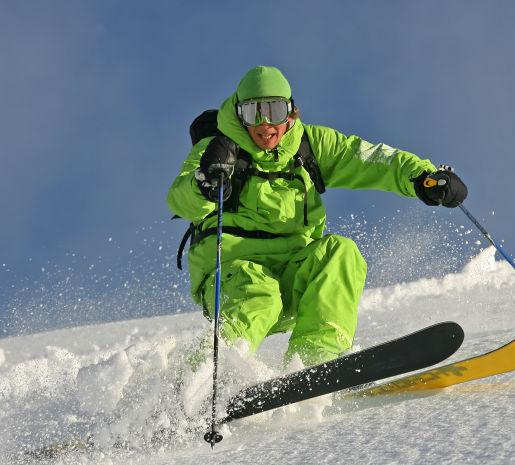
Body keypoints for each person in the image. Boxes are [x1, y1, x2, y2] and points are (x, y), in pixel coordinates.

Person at [167, 66, 467, 368]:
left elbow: (369, 158)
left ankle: (313, 364)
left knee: (341, 253)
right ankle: (200, 380)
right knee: (260, 296)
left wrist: (422, 177)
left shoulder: (309, 146)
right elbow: (180, 200)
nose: (264, 123)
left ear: (290, 112)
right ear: (238, 113)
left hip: (294, 272)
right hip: (234, 274)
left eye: (273, 110)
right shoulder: (217, 151)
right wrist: (203, 183)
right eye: (252, 112)